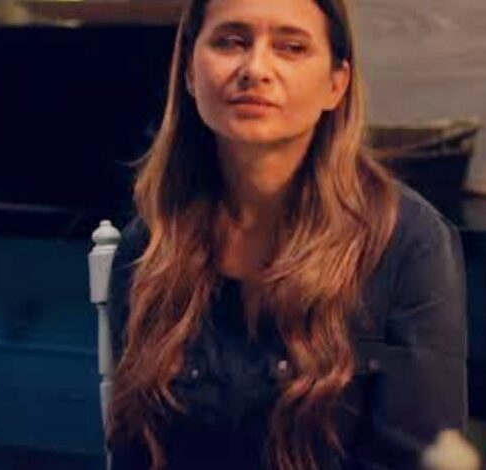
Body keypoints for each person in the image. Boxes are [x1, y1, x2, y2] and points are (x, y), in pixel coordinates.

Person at [106, 0, 467, 469]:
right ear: (190, 72)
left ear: (336, 83)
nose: (255, 69)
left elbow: (419, 459)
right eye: (230, 41)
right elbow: (134, 451)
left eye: (291, 47)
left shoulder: (408, 243)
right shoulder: (148, 246)